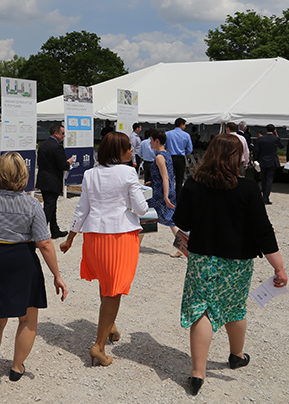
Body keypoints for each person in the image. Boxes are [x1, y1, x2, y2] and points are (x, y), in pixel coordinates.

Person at [173, 133, 288, 396]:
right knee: (235, 307)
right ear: (237, 157)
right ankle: (236, 355)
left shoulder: (194, 184)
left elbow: (184, 222)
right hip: (237, 262)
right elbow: (263, 231)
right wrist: (278, 267)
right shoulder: (247, 188)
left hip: (202, 258)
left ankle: (197, 373)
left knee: (202, 309)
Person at [0, 152, 68, 404]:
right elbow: (44, 243)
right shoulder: (32, 204)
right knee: (28, 317)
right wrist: (57, 275)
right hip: (23, 260)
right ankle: (16, 367)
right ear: (24, 175)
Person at [59, 131, 149, 367]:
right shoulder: (129, 172)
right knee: (114, 289)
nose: (132, 150)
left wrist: (70, 238)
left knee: (105, 283)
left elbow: (82, 209)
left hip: (95, 236)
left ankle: (110, 325)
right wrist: (137, 197)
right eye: (128, 147)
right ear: (119, 151)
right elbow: (141, 209)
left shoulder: (90, 174)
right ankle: (98, 346)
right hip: (119, 236)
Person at [147, 130, 181, 257]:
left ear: (157, 141)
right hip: (163, 189)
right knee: (148, 216)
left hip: (160, 193)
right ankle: (183, 246)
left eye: (151, 140)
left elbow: (165, 177)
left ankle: (184, 245)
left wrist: (166, 196)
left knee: (166, 219)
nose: (149, 143)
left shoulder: (159, 157)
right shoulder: (166, 154)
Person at [36, 123, 73, 239]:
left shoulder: (42, 145)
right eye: (62, 133)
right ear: (56, 133)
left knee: (51, 206)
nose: (64, 136)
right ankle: (40, 235)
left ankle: (55, 230)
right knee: (48, 208)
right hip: (53, 181)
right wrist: (69, 162)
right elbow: (62, 165)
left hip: (44, 180)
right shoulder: (57, 147)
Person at [254, 124, 283, 205]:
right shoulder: (276, 139)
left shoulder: (261, 139)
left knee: (263, 178)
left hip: (263, 160)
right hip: (272, 161)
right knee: (269, 179)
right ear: (274, 131)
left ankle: (263, 194)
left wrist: (256, 160)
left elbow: (257, 150)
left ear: (266, 130)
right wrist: (277, 136)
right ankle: (266, 196)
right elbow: (282, 146)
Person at [166, 118, 193, 196]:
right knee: (179, 179)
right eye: (184, 125)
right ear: (181, 125)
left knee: (168, 178)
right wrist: (185, 152)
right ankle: (178, 198)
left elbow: (163, 145)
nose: (185, 127)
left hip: (170, 157)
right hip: (180, 158)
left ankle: (168, 195)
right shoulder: (186, 135)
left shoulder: (168, 134)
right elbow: (190, 149)